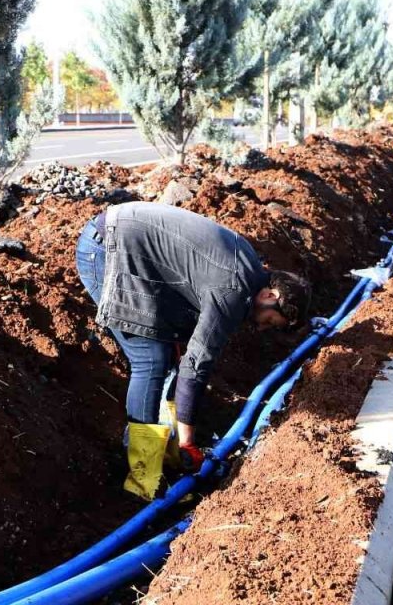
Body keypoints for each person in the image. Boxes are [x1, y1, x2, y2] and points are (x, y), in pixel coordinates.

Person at [75, 201, 311, 500]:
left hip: (133, 249)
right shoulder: (234, 289)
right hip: (108, 249)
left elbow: (191, 356)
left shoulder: (248, 273)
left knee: (168, 347)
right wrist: (190, 443)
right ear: (270, 295)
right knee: (150, 359)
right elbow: (197, 365)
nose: (263, 328)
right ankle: (143, 476)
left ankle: (169, 453)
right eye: (270, 320)